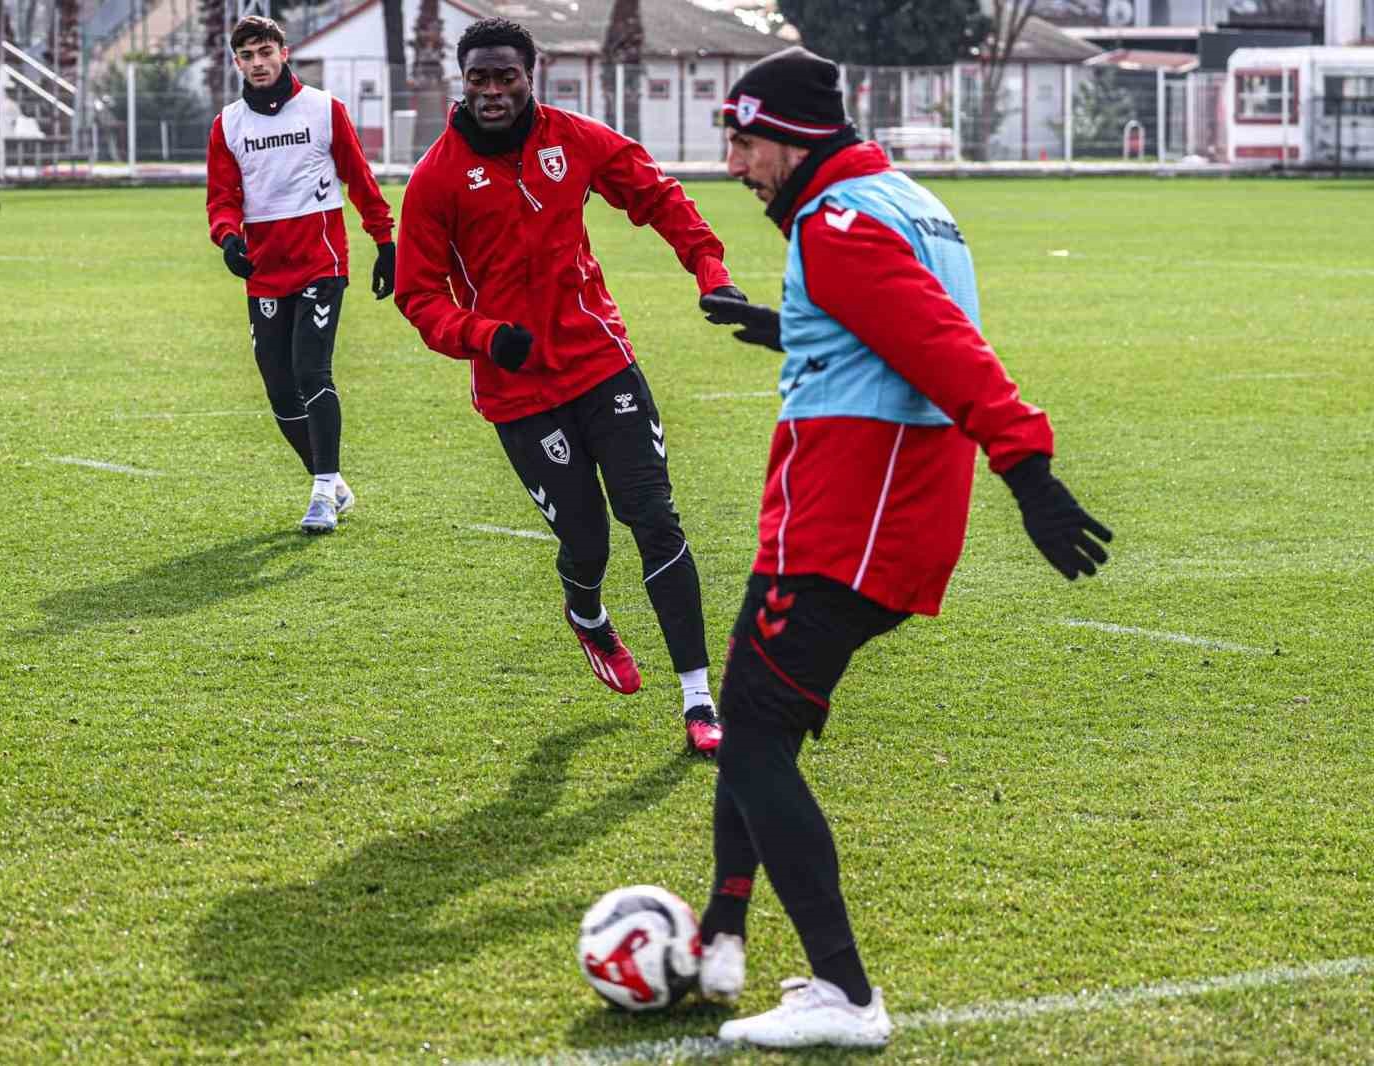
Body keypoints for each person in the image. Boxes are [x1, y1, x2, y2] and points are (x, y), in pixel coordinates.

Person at [693, 47, 1114, 1048]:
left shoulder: (837, 224)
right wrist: (786, 326)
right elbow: (887, 321)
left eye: (746, 145)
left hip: (850, 517)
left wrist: (1029, 469)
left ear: (792, 142)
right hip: (859, 512)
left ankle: (843, 994)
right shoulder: (903, 200)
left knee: (751, 730)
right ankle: (721, 934)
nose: (735, 166)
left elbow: (940, 343)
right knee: (756, 720)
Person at [394, 17, 750, 757]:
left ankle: (698, 698)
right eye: (480, 80)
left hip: (601, 363)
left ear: (533, 72)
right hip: (519, 391)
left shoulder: (576, 139)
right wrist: (485, 337)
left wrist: (711, 269)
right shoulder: (434, 177)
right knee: (586, 541)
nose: (493, 92)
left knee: (654, 518)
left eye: (506, 77)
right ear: (465, 83)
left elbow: (657, 196)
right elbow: (418, 295)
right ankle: (586, 613)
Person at [206, 15, 396, 534]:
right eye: (247, 55)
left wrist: (385, 242)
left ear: (284, 53)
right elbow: (223, 199)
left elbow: (359, 177)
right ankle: (330, 480)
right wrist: (228, 238)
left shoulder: (323, 109)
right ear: (236, 62)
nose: (258, 62)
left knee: (313, 371)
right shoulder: (228, 125)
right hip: (265, 271)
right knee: (279, 386)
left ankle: (321, 493)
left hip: (321, 262)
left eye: (265, 51)